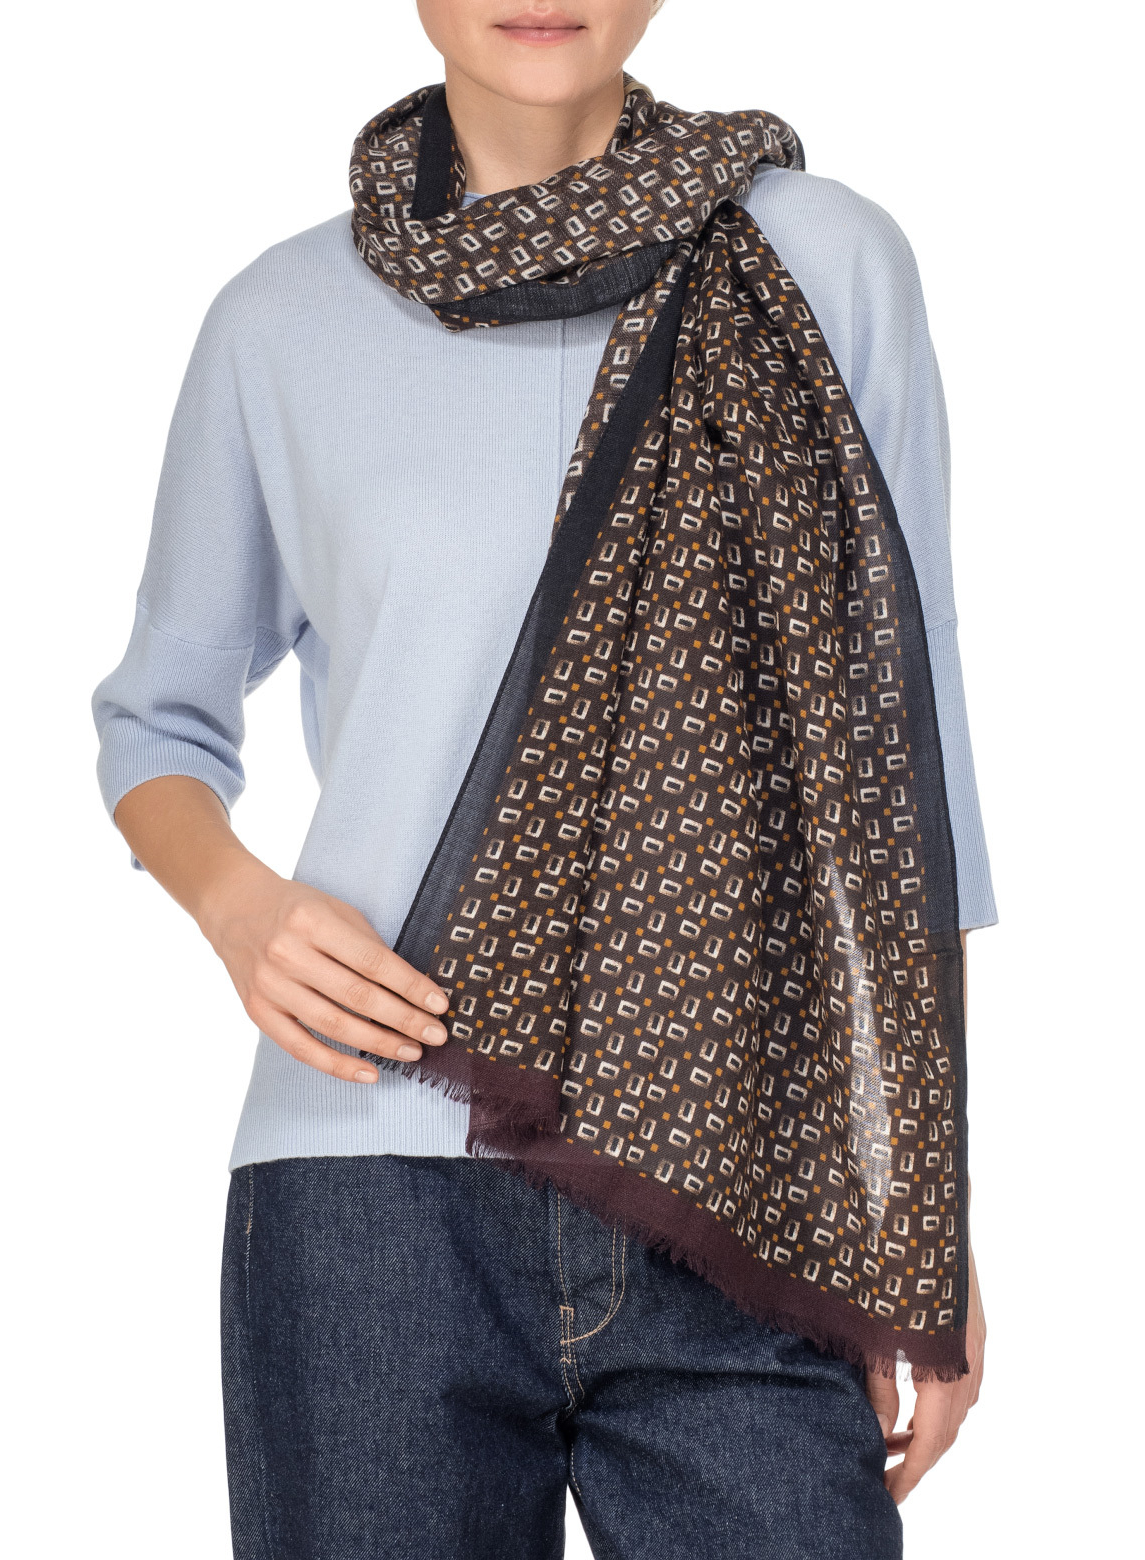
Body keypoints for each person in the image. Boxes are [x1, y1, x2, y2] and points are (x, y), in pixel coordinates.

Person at [91, 2, 998, 1555]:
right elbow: (156, 725)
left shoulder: (824, 262)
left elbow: (904, 767)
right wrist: (240, 908)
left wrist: (921, 1201)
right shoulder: (278, 322)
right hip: (372, 1184)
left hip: (743, 1179)